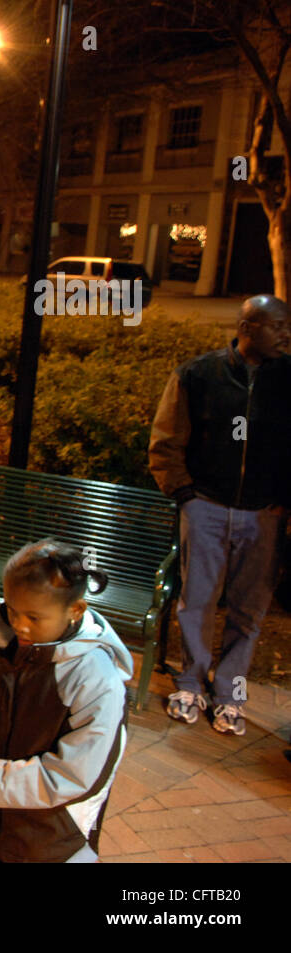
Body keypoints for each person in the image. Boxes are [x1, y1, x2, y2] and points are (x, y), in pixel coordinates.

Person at [0, 540, 132, 862]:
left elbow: (73, 775)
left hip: (50, 846)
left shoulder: (96, 679)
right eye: (13, 609)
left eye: (34, 617)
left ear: (75, 610)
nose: (19, 625)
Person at [148, 295, 291, 735]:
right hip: (206, 506)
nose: (286, 335)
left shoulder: (290, 379)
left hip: (265, 513)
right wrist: (185, 493)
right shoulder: (197, 374)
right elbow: (167, 440)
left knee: (250, 610)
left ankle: (230, 695)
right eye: (278, 326)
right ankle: (190, 682)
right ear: (249, 328)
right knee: (198, 603)